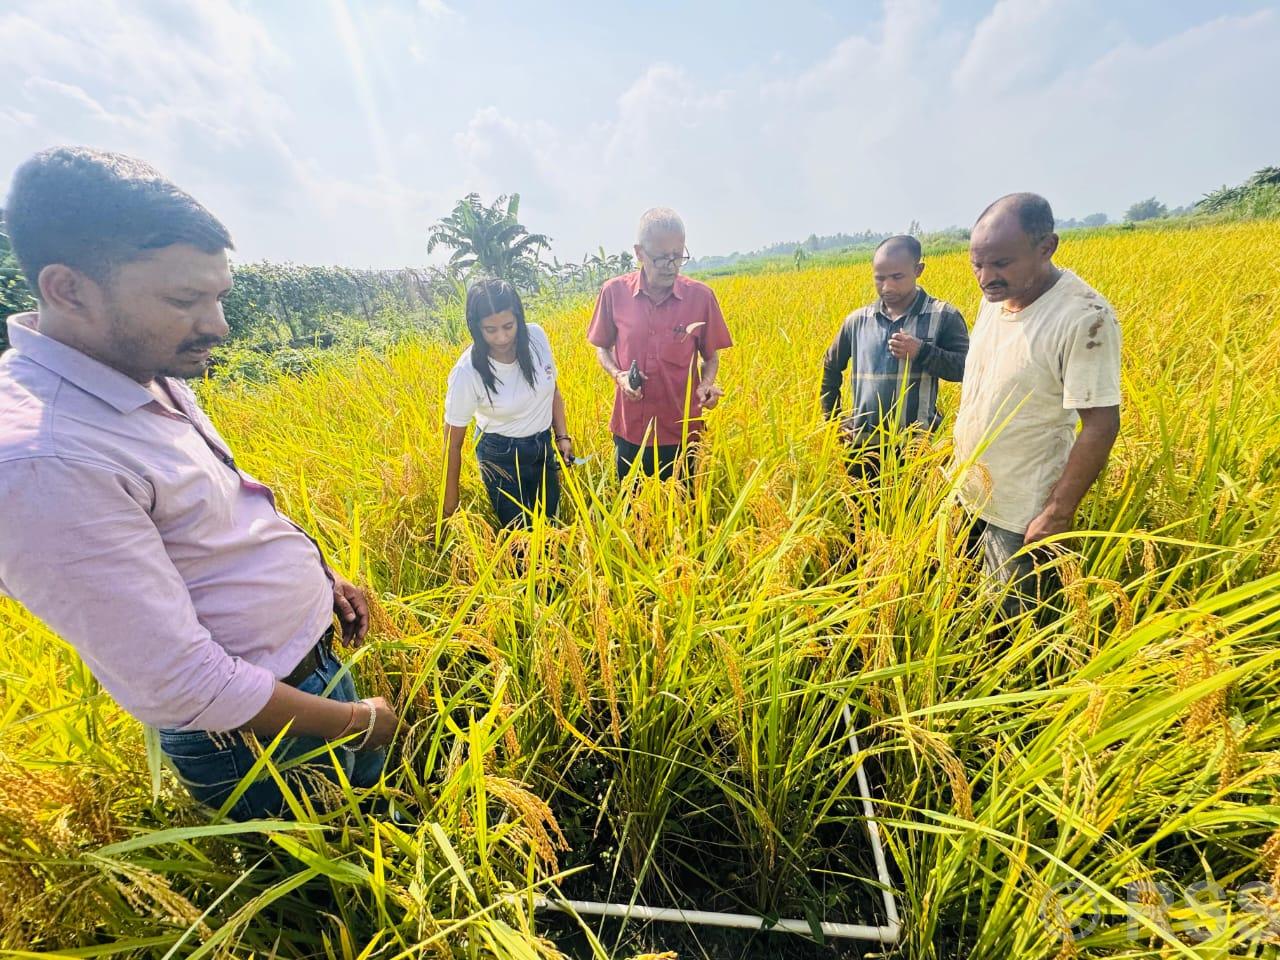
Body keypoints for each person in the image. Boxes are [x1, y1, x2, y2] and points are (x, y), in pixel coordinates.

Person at [0, 147, 399, 821]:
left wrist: (318, 580)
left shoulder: (140, 369)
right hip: (253, 742)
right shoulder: (45, 461)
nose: (218, 325)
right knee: (333, 906)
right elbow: (180, 684)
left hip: (311, 682)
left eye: (218, 296)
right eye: (186, 299)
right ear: (68, 289)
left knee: (372, 832)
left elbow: (218, 514)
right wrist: (357, 721)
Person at [952, 193, 1121, 606]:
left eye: (1001, 263)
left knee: (1009, 624)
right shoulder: (994, 299)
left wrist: (1057, 512)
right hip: (967, 492)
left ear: (1046, 248)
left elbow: (1101, 423)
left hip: (1020, 512)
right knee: (961, 605)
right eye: (977, 264)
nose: (986, 276)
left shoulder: (1084, 317)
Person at [587, 208, 733, 483]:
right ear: (640, 253)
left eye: (678, 256)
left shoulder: (700, 298)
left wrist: (706, 385)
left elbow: (710, 357)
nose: (671, 265)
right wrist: (618, 376)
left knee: (682, 511)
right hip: (631, 429)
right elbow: (602, 348)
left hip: (681, 431)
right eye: (661, 258)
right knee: (630, 512)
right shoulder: (614, 293)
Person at [820, 235, 969, 479]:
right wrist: (833, 420)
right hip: (863, 449)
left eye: (897, 277)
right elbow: (830, 366)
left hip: (918, 450)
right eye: (879, 278)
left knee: (915, 514)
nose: (887, 286)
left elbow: (967, 369)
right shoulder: (858, 321)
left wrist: (922, 351)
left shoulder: (943, 316)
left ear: (918, 270)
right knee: (861, 515)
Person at [442, 278, 573, 527]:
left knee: (552, 526)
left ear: (518, 318)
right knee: (520, 538)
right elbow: (452, 443)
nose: (502, 337)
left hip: (542, 446)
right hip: (501, 456)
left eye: (508, 326)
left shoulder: (536, 337)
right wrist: (450, 506)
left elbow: (553, 390)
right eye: (490, 330)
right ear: (476, 327)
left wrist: (562, 436)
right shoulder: (467, 372)